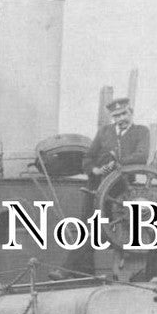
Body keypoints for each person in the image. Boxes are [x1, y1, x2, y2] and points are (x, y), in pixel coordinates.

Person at [59, 98, 150, 278]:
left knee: (101, 229)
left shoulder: (141, 132)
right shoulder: (104, 132)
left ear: (131, 112)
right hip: (95, 186)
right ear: (112, 117)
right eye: (116, 115)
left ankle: (68, 271)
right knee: (87, 228)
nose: (121, 118)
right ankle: (82, 273)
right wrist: (95, 169)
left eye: (124, 113)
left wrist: (115, 162)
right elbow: (88, 157)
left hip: (119, 191)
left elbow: (141, 156)